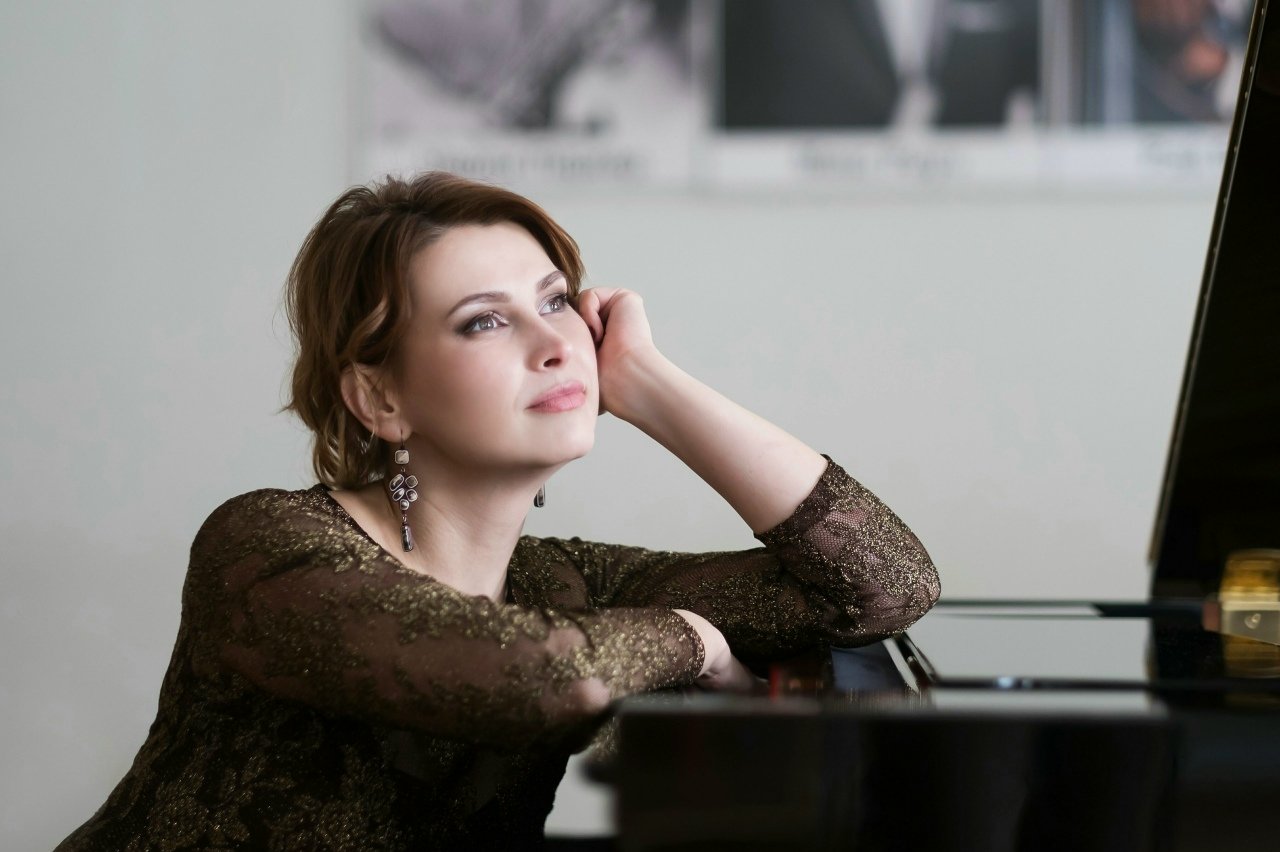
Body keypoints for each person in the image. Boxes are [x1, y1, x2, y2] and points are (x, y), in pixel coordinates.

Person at [55, 172, 940, 851]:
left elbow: (884, 584)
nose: (556, 343)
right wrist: (695, 638)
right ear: (380, 398)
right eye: (485, 320)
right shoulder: (264, 543)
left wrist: (648, 384)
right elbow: (537, 680)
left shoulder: (562, 583)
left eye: (556, 302)